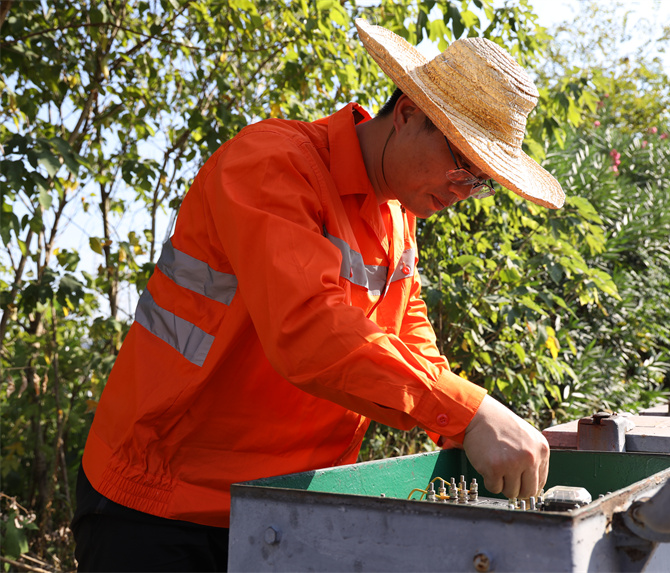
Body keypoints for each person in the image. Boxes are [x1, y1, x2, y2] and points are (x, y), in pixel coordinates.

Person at [72, 18, 566, 571]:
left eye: (481, 181)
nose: (463, 192)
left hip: (285, 508)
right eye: (462, 165)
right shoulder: (271, 164)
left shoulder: (397, 221)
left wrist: (461, 419)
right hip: (160, 506)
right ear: (406, 115)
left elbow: (412, 342)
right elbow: (309, 329)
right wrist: (470, 414)